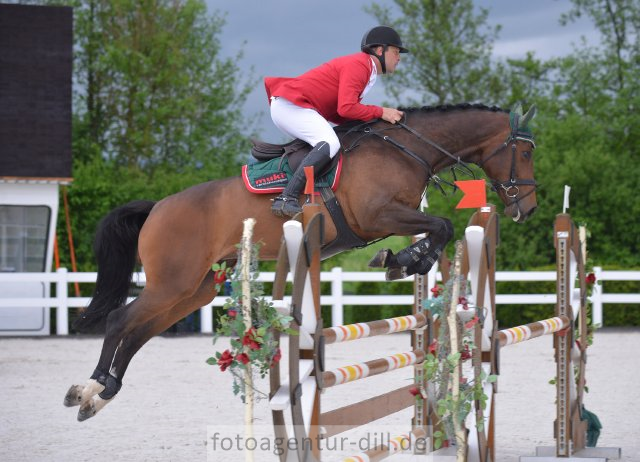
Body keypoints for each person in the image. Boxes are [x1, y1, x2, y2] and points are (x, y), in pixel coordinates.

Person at [265, 25, 409, 218]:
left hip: (294, 107)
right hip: (291, 106)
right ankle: (287, 197)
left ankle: (313, 191)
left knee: (334, 141)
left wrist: (368, 123)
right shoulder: (361, 65)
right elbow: (346, 108)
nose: (399, 58)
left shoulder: (367, 70)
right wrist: (381, 112)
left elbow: (339, 113)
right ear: (380, 50)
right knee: (329, 142)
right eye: (396, 51)